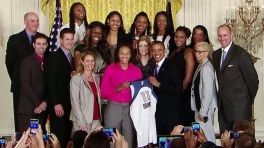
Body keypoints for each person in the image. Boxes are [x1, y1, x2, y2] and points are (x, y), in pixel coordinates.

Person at [212, 24, 259, 135]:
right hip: (223, 109)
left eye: (225, 35)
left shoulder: (241, 54)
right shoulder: (216, 54)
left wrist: (246, 101)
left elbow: (253, 82)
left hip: (240, 110)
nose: (222, 39)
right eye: (220, 36)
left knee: (240, 142)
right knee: (226, 141)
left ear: (231, 35)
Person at [101, 43, 142, 148]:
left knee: (128, 137)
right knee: (111, 138)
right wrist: (118, 88)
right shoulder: (110, 69)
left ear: (130, 55)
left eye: (127, 54)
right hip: (113, 107)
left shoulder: (137, 71)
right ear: (118, 55)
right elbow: (103, 92)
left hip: (130, 107)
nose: (125, 56)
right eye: (122, 54)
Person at [5, 12, 41, 132]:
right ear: (25, 22)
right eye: (32, 21)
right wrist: (19, 80)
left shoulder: (42, 39)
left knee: (39, 121)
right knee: (22, 124)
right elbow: (10, 63)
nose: (35, 23)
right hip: (20, 88)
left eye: (37, 21)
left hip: (39, 88)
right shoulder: (15, 39)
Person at [45, 28, 75, 148]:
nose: (70, 42)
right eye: (67, 39)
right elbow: (51, 83)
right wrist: (56, 103)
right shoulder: (54, 58)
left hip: (68, 105)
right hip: (59, 106)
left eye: (72, 39)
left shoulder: (69, 56)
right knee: (58, 138)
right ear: (61, 40)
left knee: (66, 136)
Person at [149, 41, 184, 135]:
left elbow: (178, 89)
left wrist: (159, 84)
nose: (156, 53)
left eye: (159, 50)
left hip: (170, 115)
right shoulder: (153, 67)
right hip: (159, 114)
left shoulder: (172, 66)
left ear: (164, 51)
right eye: (154, 50)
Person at [17, 33, 49, 133]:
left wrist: (45, 103)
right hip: (28, 109)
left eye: (44, 44)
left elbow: (51, 85)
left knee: (40, 140)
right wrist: (39, 104)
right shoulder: (26, 62)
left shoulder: (49, 62)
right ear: (33, 45)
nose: (41, 46)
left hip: (43, 109)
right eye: (38, 44)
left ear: (47, 45)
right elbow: (26, 85)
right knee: (28, 140)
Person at [191, 42, 217, 143]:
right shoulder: (202, 65)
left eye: (200, 52)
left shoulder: (206, 68)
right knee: (202, 135)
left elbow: (207, 92)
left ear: (207, 53)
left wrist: (203, 111)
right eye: (196, 51)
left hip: (205, 108)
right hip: (200, 107)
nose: (197, 54)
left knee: (206, 135)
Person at [70, 50, 102, 133]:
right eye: (87, 61)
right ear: (82, 62)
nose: (90, 63)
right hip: (82, 120)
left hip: (96, 118)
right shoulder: (76, 79)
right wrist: (81, 121)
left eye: (92, 61)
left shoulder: (97, 78)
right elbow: (75, 101)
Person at [170, 26, 195, 126]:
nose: (178, 39)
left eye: (181, 37)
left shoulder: (188, 52)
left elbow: (188, 78)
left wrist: (179, 92)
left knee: (184, 123)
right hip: (174, 92)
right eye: (176, 36)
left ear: (186, 38)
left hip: (184, 94)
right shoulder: (173, 52)